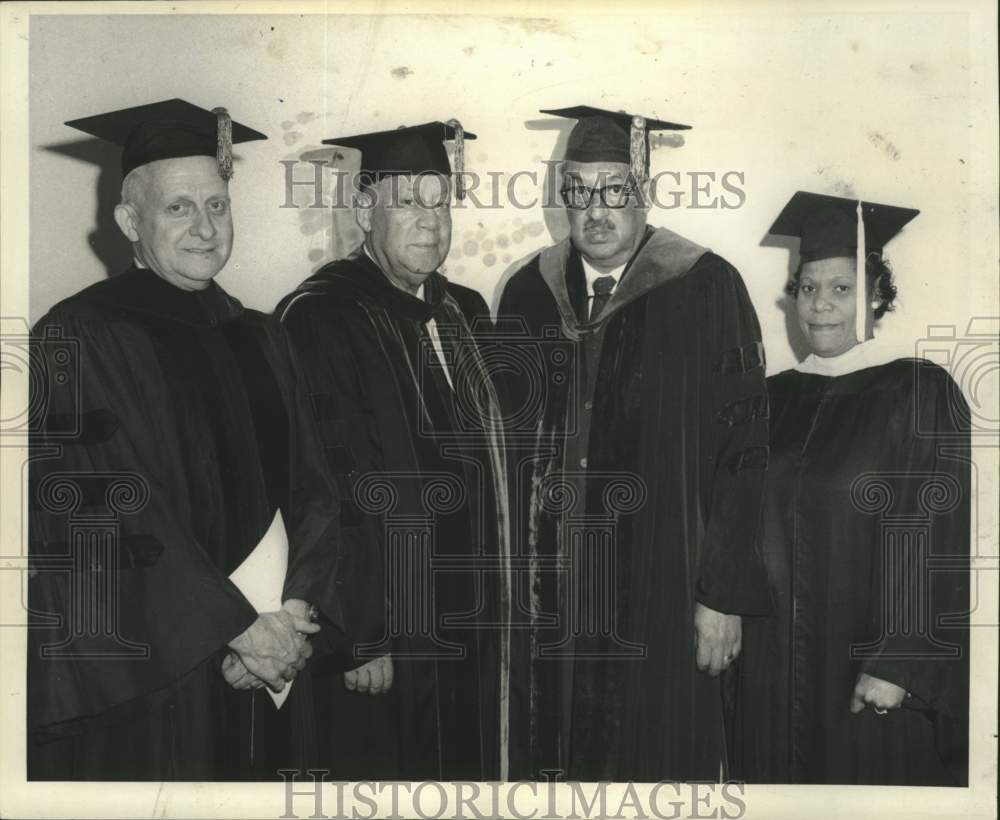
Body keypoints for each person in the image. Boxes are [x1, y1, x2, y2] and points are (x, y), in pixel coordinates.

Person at [28, 99, 343, 780]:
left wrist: (289, 616)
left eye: (218, 206)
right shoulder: (78, 337)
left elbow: (314, 488)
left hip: (275, 657)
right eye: (177, 208)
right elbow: (106, 511)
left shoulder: (260, 334)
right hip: (163, 670)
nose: (204, 227)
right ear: (128, 222)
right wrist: (237, 628)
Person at [496, 105, 771, 781]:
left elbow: (746, 454)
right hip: (551, 593)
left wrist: (724, 595)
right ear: (563, 196)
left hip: (663, 586)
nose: (597, 209)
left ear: (644, 190)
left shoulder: (707, 286)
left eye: (615, 189)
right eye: (580, 190)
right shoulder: (529, 293)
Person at [275, 121, 512, 780]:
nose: (430, 222)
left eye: (440, 202)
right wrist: (359, 637)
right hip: (386, 634)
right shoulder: (321, 317)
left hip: (467, 617)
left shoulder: (463, 310)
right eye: (408, 201)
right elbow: (324, 484)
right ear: (362, 211)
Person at [731, 191, 970, 785]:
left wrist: (902, 661)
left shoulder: (917, 393)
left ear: (877, 295)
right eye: (808, 288)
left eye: (841, 288)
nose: (819, 306)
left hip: (866, 670)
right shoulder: (771, 398)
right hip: (769, 666)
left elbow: (938, 535)